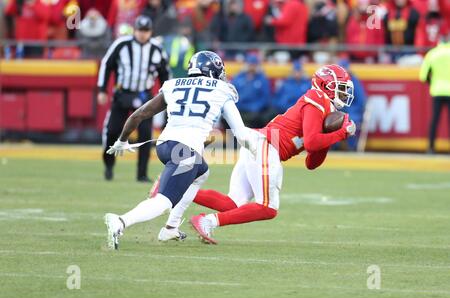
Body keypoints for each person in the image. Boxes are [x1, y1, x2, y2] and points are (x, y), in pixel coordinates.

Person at [151, 64, 357, 244]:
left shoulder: (324, 109)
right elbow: (311, 143)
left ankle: (169, 186)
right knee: (268, 207)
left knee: (232, 204)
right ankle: (208, 221)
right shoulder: (317, 98)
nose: (345, 94)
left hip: (261, 144)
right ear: (325, 86)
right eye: (340, 88)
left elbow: (312, 162)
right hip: (267, 145)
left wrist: (331, 135)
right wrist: (340, 133)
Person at [103, 50, 261, 249]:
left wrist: (122, 141)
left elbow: (140, 114)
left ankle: (171, 228)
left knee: (201, 173)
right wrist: (257, 152)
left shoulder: (174, 85)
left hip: (165, 145)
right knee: (163, 202)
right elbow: (241, 133)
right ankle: (121, 221)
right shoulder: (222, 90)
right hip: (185, 151)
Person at [97, 15, 171, 182]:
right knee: (113, 131)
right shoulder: (122, 44)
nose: (143, 34)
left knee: (145, 135)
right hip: (123, 93)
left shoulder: (157, 49)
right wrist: (102, 89)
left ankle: (142, 174)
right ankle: (109, 165)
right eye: (140, 30)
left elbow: (165, 73)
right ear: (134, 30)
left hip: (145, 95)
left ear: (150, 32)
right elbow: (107, 64)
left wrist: (168, 96)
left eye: (146, 31)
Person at [419, 33, 450, 154]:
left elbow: (423, 76)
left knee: (435, 120)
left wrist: (432, 83)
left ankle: (431, 147)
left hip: (437, 90)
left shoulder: (432, 54)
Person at [231, 53, 272, 128]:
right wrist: (238, 107)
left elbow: (266, 98)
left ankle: (260, 137)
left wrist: (255, 107)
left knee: (265, 116)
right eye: (250, 64)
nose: (252, 67)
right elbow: (232, 94)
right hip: (240, 109)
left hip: (255, 111)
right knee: (228, 117)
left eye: (254, 65)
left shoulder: (262, 79)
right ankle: (232, 139)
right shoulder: (238, 77)